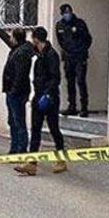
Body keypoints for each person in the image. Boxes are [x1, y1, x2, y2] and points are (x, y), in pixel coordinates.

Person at [15, 27, 66, 176]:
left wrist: (48, 94)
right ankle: (31, 163)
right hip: (38, 96)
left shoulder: (51, 55)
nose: (32, 41)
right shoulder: (38, 54)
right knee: (35, 129)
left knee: (54, 129)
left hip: (50, 98)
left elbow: (55, 78)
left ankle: (61, 160)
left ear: (36, 39)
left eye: (33, 38)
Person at [0, 28, 35, 154]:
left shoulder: (21, 53)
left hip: (17, 93)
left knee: (18, 122)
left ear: (16, 38)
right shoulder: (19, 48)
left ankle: (21, 148)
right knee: (13, 121)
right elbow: (7, 39)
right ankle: (14, 147)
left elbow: (20, 75)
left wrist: (13, 90)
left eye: (12, 36)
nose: (10, 38)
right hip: (13, 91)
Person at [55, 3, 93, 117]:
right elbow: (60, 41)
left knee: (81, 81)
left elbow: (88, 39)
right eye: (65, 13)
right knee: (70, 82)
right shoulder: (60, 25)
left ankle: (84, 107)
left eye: (69, 12)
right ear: (62, 14)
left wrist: (81, 50)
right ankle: (72, 106)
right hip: (68, 57)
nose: (68, 14)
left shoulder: (80, 24)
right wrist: (66, 51)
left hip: (79, 57)